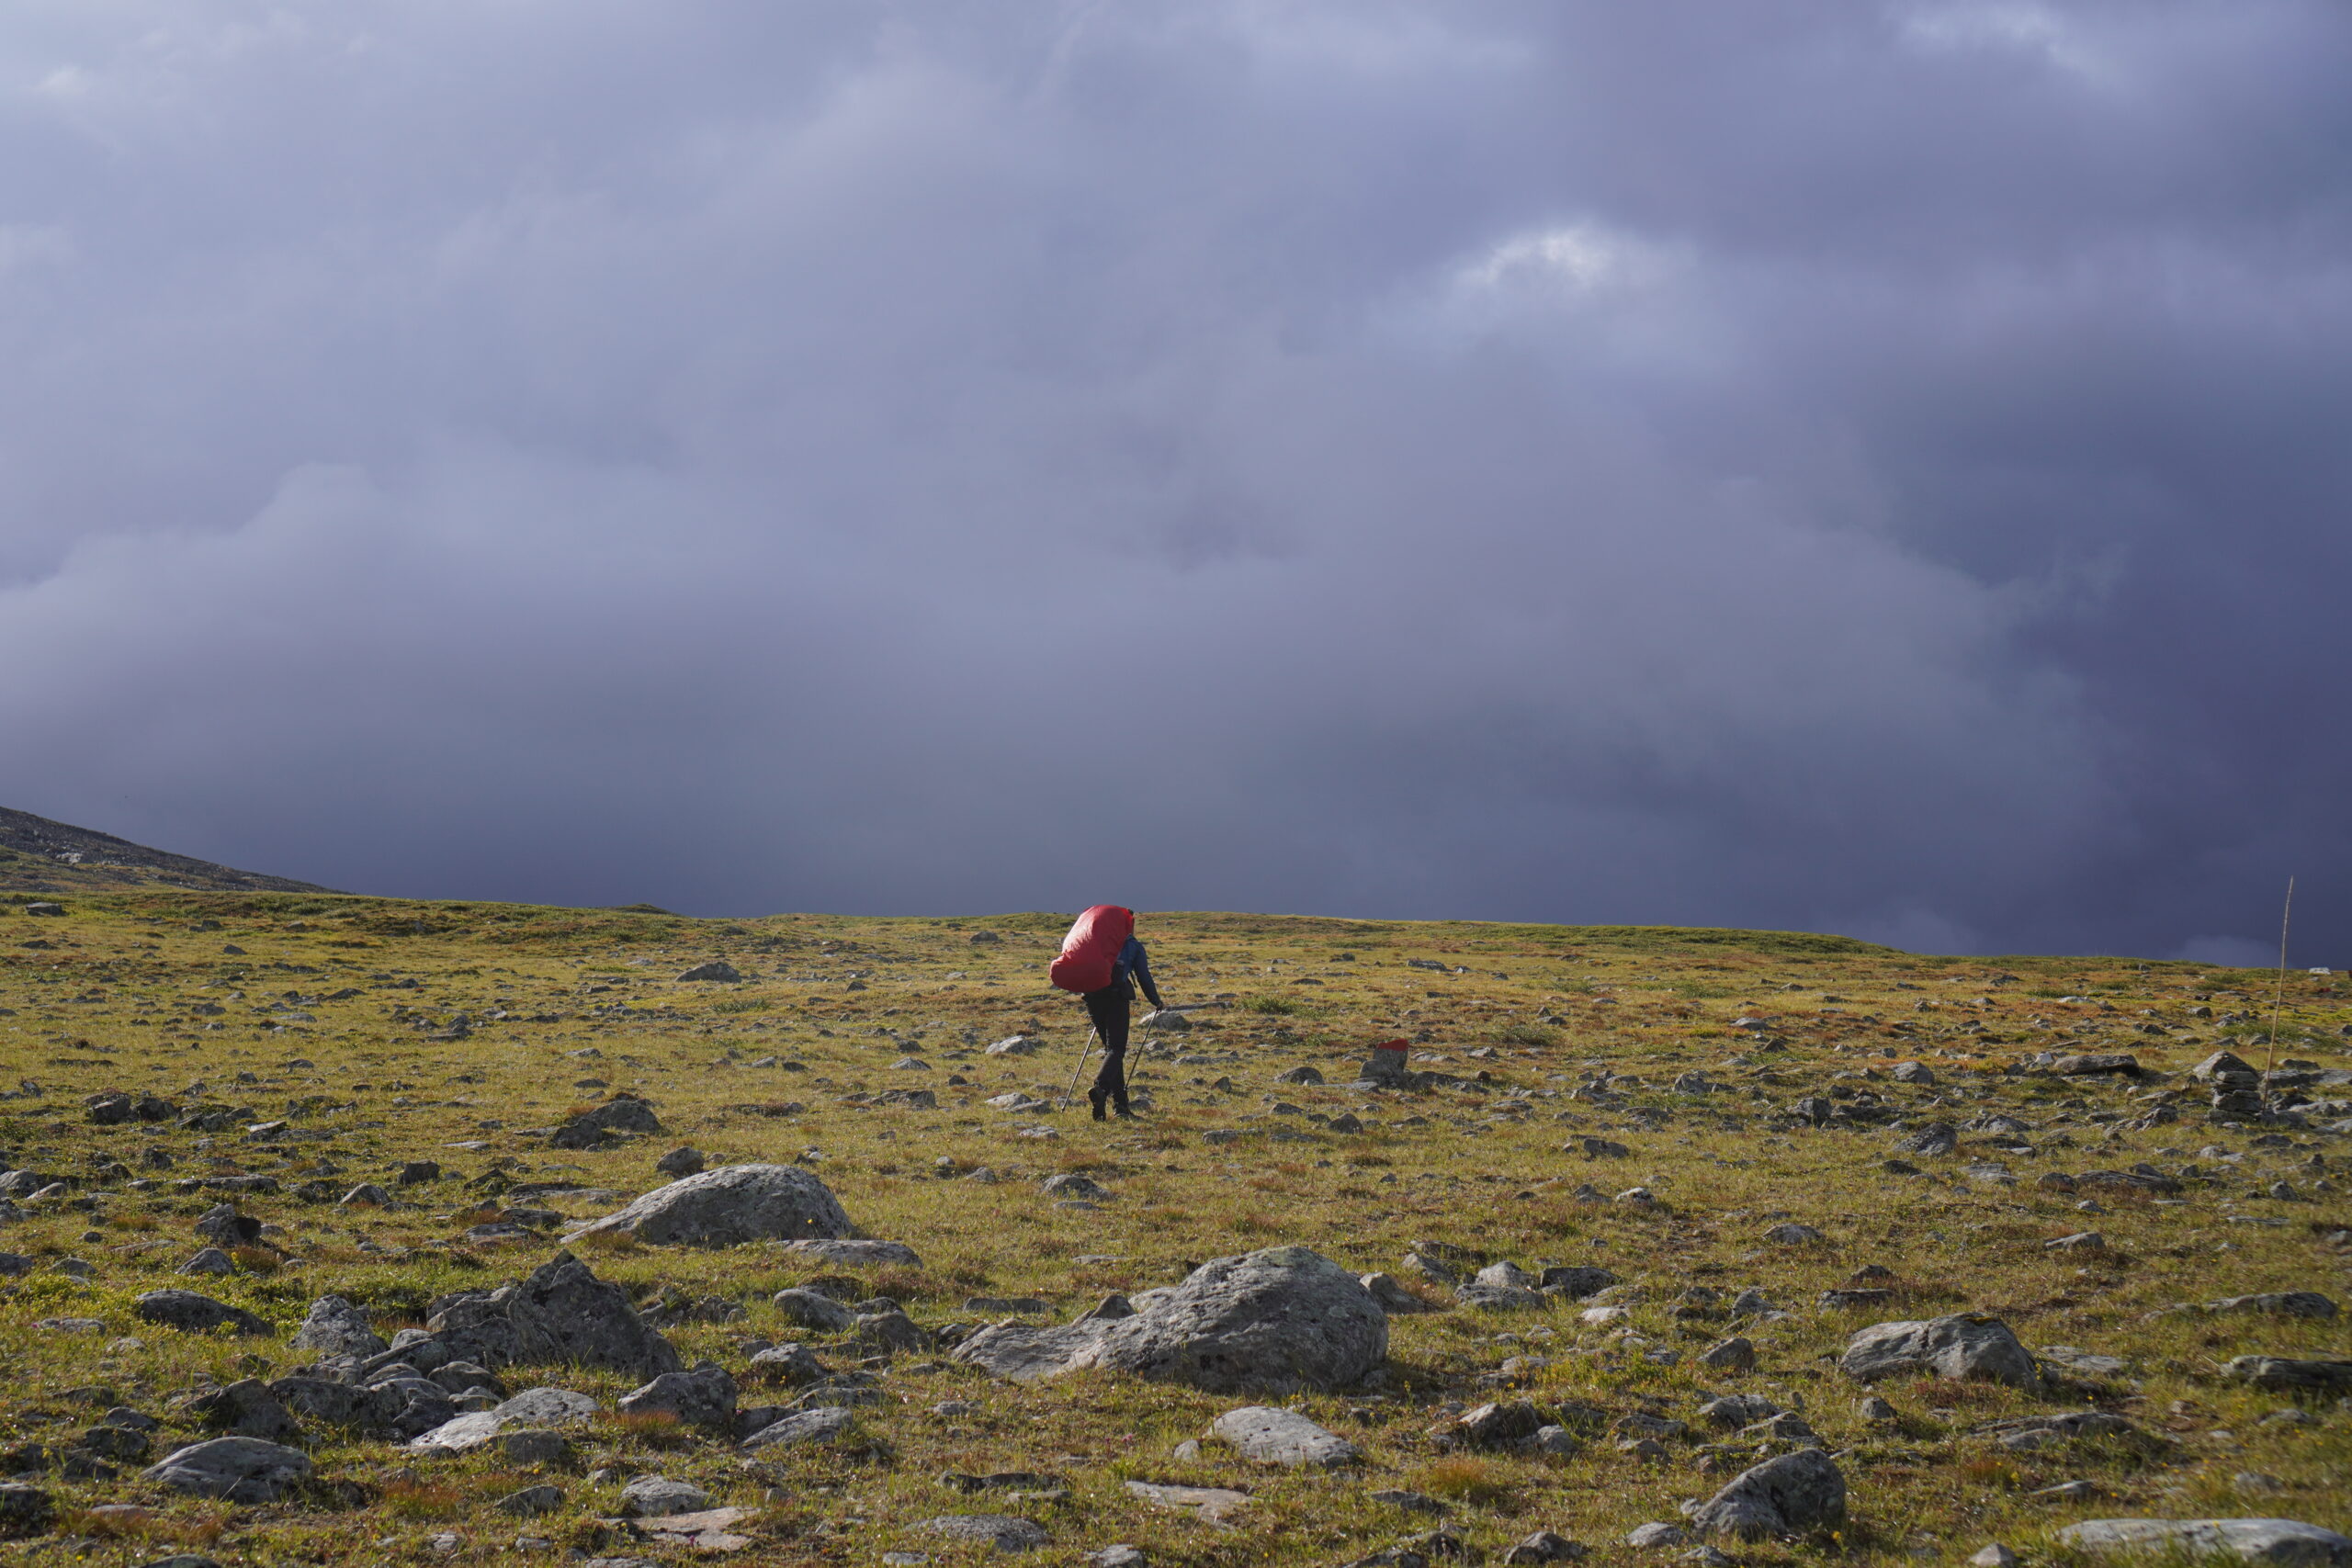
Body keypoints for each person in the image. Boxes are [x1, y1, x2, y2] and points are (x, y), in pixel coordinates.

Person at [1084, 927, 1164, 1120]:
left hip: (1093, 998)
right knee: (1116, 1049)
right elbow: (1143, 976)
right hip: (1116, 998)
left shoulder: (1096, 939)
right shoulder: (1131, 945)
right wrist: (1156, 1000)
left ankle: (1119, 1105)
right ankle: (1102, 1088)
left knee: (1111, 1051)